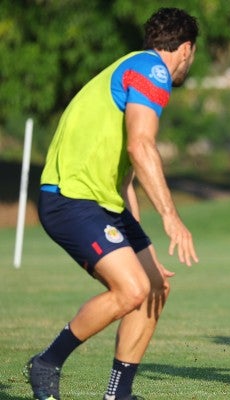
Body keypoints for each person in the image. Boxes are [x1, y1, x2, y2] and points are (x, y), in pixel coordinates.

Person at [23, 8, 200, 400]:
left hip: (102, 201)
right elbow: (141, 146)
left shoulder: (129, 67)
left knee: (154, 286)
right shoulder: (153, 71)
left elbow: (125, 175)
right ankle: (47, 362)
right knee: (132, 288)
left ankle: (118, 394)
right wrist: (171, 217)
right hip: (71, 197)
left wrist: (135, 240)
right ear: (186, 49)